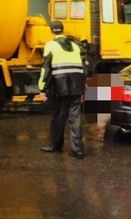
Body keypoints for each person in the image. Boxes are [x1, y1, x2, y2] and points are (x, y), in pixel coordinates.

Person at [39, 20, 86, 159]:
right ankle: (78, 151)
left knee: (58, 118)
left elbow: (45, 69)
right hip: (76, 88)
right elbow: (83, 69)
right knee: (75, 120)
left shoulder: (51, 46)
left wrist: (42, 89)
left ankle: (56, 146)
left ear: (51, 31)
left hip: (59, 89)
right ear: (63, 30)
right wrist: (82, 89)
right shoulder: (75, 46)